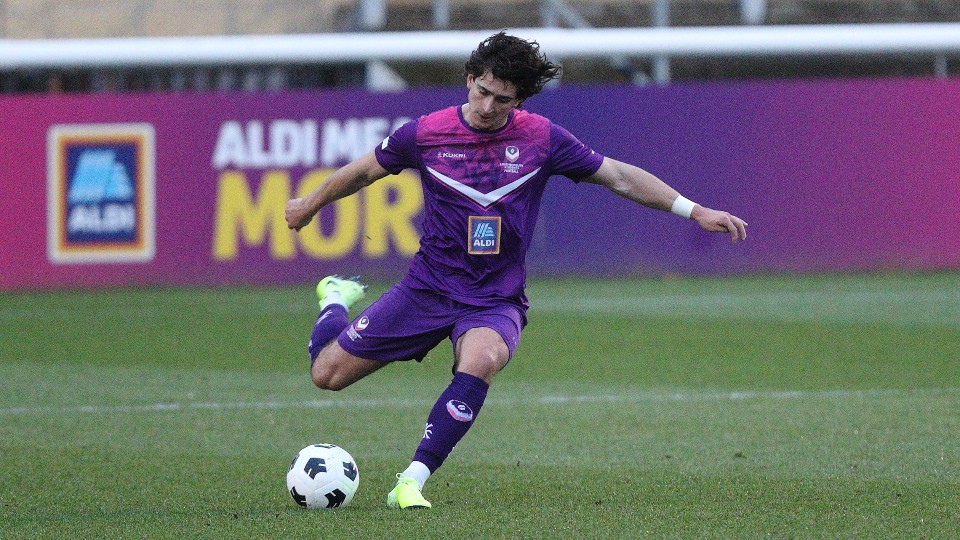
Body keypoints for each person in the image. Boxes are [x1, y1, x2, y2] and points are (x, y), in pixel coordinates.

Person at [285, 31, 748, 509]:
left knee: (481, 359)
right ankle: (335, 298)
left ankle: (412, 480)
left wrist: (693, 210)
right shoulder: (424, 133)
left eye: (501, 99)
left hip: (494, 298)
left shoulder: (541, 139)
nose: (487, 106)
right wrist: (310, 203)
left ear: (519, 100)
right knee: (327, 376)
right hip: (426, 288)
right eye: (482, 92)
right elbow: (364, 170)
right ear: (469, 80)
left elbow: (620, 177)